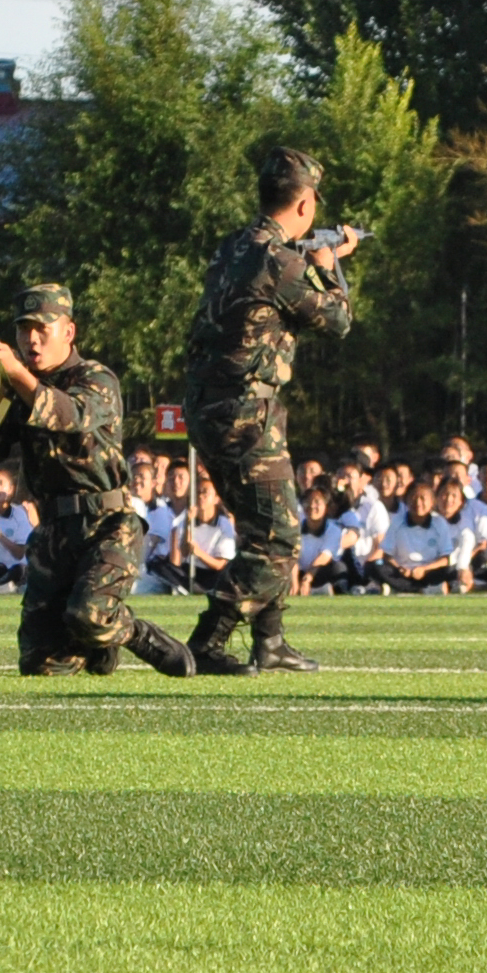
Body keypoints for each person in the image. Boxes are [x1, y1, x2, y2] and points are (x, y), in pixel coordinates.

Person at [179, 143, 354, 674]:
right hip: (242, 412)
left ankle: (271, 640)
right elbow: (338, 320)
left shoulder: (234, 247)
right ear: (304, 206)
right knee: (279, 536)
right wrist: (330, 266)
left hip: (217, 406)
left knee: (261, 530)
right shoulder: (281, 260)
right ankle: (208, 640)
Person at [0, 284, 193, 678]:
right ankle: (94, 645)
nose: (31, 339)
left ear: (68, 332)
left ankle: (132, 633)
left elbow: (65, 414)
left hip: (106, 527)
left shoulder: (96, 379)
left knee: (89, 615)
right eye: (24, 331)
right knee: (40, 667)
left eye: (42, 328)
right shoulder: (19, 386)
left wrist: (17, 375)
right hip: (53, 533)